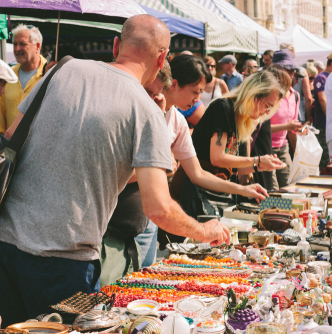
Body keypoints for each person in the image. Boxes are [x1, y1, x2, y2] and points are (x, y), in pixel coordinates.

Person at [0, 15, 229, 326]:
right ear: (162, 58)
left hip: (7, 245)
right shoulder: (146, 109)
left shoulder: (63, 69)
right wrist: (206, 231)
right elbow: (159, 209)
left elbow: (12, 137)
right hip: (65, 260)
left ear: (116, 45)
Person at [137, 60, 268, 266]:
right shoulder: (147, 111)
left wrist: (244, 190)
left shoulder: (178, 120)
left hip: (149, 217)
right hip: (134, 211)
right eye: (195, 92)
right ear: (174, 85)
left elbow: (198, 173)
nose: (198, 100)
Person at [169, 70, 286, 230]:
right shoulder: (223, 107)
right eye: (267, 106)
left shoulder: (243, 117)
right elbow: (217, 158)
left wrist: (260, 166)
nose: (266, 113)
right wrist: (257, 162)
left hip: (218, 191)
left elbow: (235, 167)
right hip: (198, 193)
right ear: (253, 94)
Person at [250, 65, 293, 192]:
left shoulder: (269, 104)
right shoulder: (259, 105)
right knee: (270, 192)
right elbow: (250, 137)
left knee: (282, 188)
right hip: (259, 156)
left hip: (267, 154)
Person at [0, 24, 46, 134]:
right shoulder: (6, 75)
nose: (17, 49)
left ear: (37, 46)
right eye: (15, 44)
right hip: (9, 147)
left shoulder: (50, 74)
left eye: (23, 44)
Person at [270, 49, 304, 189]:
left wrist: (299, 156)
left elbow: (292, 129)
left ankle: (285, 212)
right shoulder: (268, 92)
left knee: (289, 188)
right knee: (272, 192)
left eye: (293, 70)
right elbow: (257, 128)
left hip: (283, 148)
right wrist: (287, 127)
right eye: (287, 69)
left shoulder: (294, 95)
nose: (291, 73)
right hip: (266, 149)